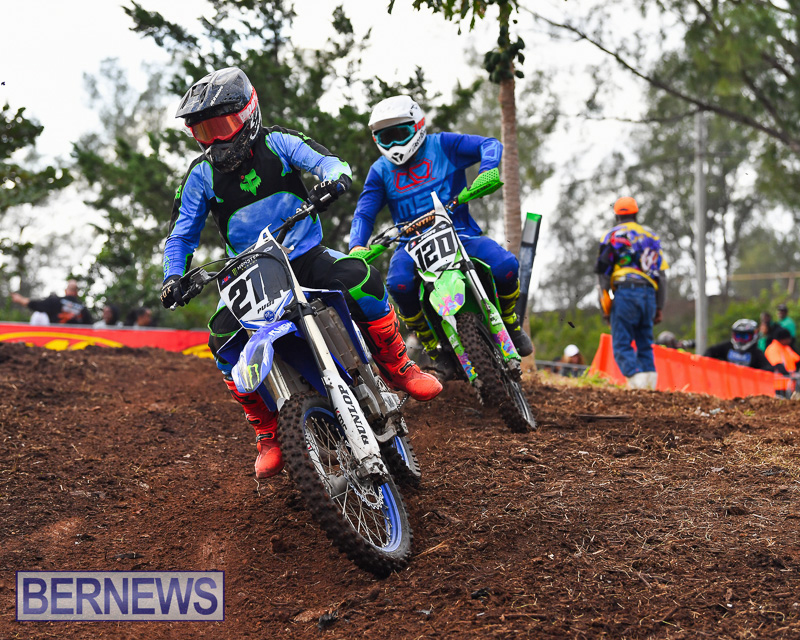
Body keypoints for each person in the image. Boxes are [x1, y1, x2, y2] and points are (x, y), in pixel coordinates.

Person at [160, 68, 442, 480]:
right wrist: (173, 277)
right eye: (204, 132)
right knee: (221, 341)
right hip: (250, 271)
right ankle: (267, 431)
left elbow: (329, 162)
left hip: (304, 253)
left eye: (222, 127)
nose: (216, 141)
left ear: (248, 113)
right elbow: (180, 235)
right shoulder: (200, 175)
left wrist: (333, 181)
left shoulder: (278, 142)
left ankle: (398, 366)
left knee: (361, 277)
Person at [348, 95, 533, 360]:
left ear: (417, 126)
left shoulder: (443, 144)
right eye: (386, 138)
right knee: (399, 285)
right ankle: (433, 346)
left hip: (459, 232)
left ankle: (510, 321)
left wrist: (487, 170)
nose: (395, 143)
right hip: (411, 244)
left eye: (400, 134)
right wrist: (357, 245)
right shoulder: (380, 171)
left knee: (505, 265)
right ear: (377, 140)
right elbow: (364, 212)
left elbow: (489, 144)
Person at [594, 197, 668, 389]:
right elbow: (661, 275)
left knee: (621, 343)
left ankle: (636, 384)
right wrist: (659, 306)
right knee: (645, 342)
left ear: (616, 216)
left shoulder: (611, 236)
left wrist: (605, 306)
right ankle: (649, 386)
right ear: (636, 214)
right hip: (649, 294)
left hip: (625, 293)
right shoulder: (651, 236)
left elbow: (603, 274)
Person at [10, 279, 93, 325]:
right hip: (78, 341)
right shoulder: (83, 309)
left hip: (55, 339)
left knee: (38, 314)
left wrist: (20, 299)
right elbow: (90, 326)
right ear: (77, 292)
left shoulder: (55, 301)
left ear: (66, 290)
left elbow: (36, 305)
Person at [704, 319, 772, 371]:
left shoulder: (756, 353)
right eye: (738, 336)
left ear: (753, 336)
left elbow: (768, 368)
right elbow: (710, 352)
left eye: (745, 337)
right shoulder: (727, 346)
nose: (741, 340)